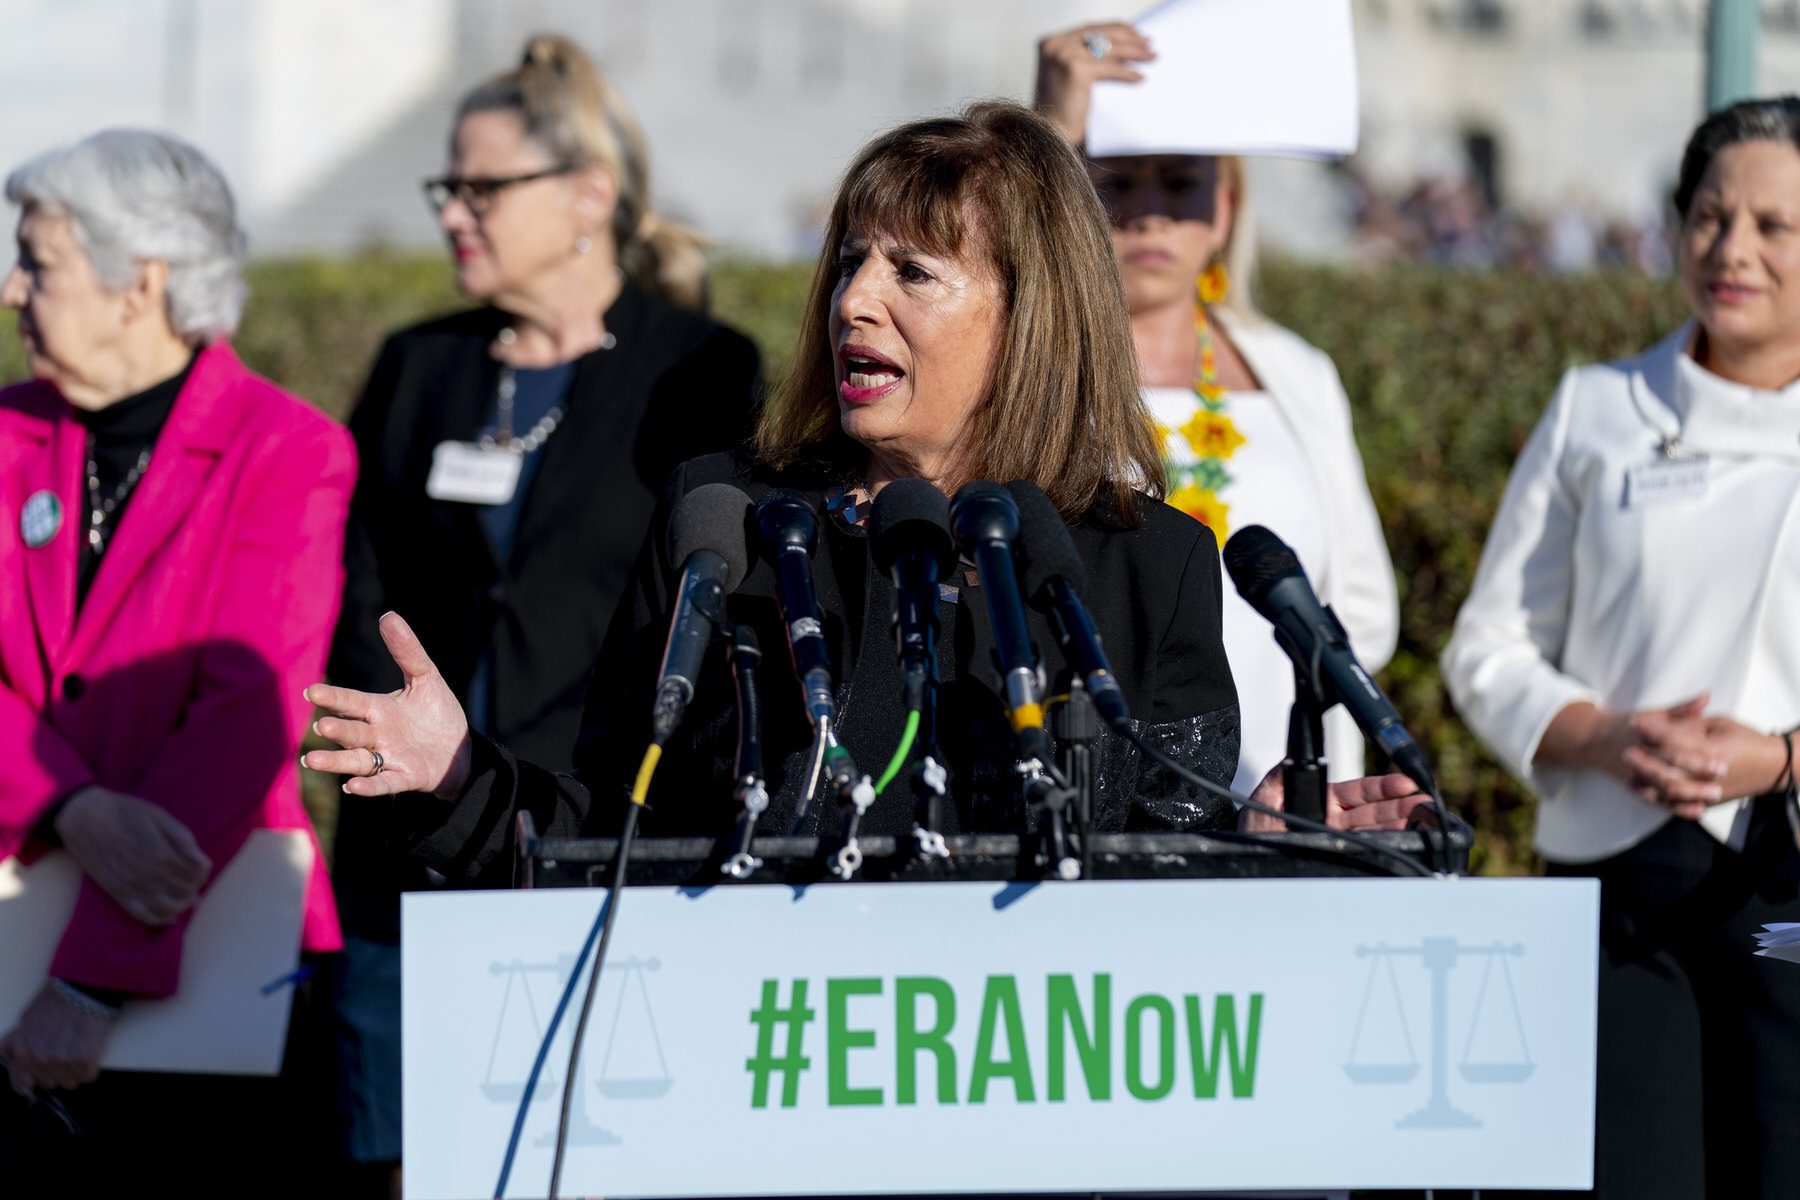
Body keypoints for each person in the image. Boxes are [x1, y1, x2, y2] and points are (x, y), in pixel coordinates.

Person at [303, 102, 1430, 869]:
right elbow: (608, 834)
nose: (853, 302)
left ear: (1029, 314)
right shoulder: (726, 527)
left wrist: (1259, 843)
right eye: (850, 259)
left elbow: (1167, 879)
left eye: (913, 273)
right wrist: (460, 779)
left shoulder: (1149, 563)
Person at [324, 33, 761, 1191]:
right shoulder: (423, 365)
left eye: (481, 187)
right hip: (409, 847)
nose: (453, 213)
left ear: (586, 198)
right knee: (403, 1165)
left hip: (586, 832)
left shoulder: (700, 366)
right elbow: (355, 578)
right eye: (445, 190)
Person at [1441, 96, 1800, 1198]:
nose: (1730, 249)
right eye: (1706, 215)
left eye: (1773, 226)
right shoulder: (1599, 407)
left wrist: (1778, 760)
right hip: (1619, 888)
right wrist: (1602, 737)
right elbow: (1488, 644)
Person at [0, 129, 352, 1194]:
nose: (13, 288)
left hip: (211, 966)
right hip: (15, 928)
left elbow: (243, 718)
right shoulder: (5, 433)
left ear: (138, 283)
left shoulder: (287, 449)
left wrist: (94, 983)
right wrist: (70, 808)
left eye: (39, 262)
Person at [1035, 21, 1399, 796]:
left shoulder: (1296, 371)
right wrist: (1051, 133)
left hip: (1287, 791)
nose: (1151, 216)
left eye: (1180, 184)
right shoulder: (1040, 368)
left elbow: (1362, 606)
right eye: (1119, 183)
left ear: (1226, 209)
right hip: (1113, 790)